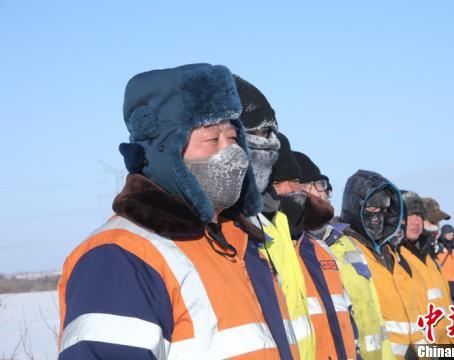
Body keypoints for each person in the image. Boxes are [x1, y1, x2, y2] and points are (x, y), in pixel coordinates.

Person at [57, 64, 298, 359]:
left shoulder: (243, 245)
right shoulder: (120, 258)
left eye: (234, 138)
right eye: (211, 139)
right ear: (165, 150)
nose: (231, 153)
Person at [234, 75, 316, 360]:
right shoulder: (230, 229)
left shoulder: (278, 226)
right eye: (252, 132)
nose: (296, 190)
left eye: (268, 134)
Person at [295, 152, 394, 360]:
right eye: (319, 184)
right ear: (301, 190)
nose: (326, 192)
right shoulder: (295, 249)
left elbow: (373, 313)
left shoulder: (345, 242)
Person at [273, 135, 357, 359]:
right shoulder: (265, 247)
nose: (323, 193)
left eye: (296, 181)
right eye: (318, 185)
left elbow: (346, 316)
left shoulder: (321, 249)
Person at [340, 170, 424, 360]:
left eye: (385, 209)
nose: (378, 216)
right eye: (371, 208)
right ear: (356, 208)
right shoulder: (343, 252)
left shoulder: (392, 254)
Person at [399, 191, 454, 344]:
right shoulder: (399, 258)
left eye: (438, 224)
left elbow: (444, 304)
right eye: (432, 222)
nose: (436, 228)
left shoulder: (430, 258)